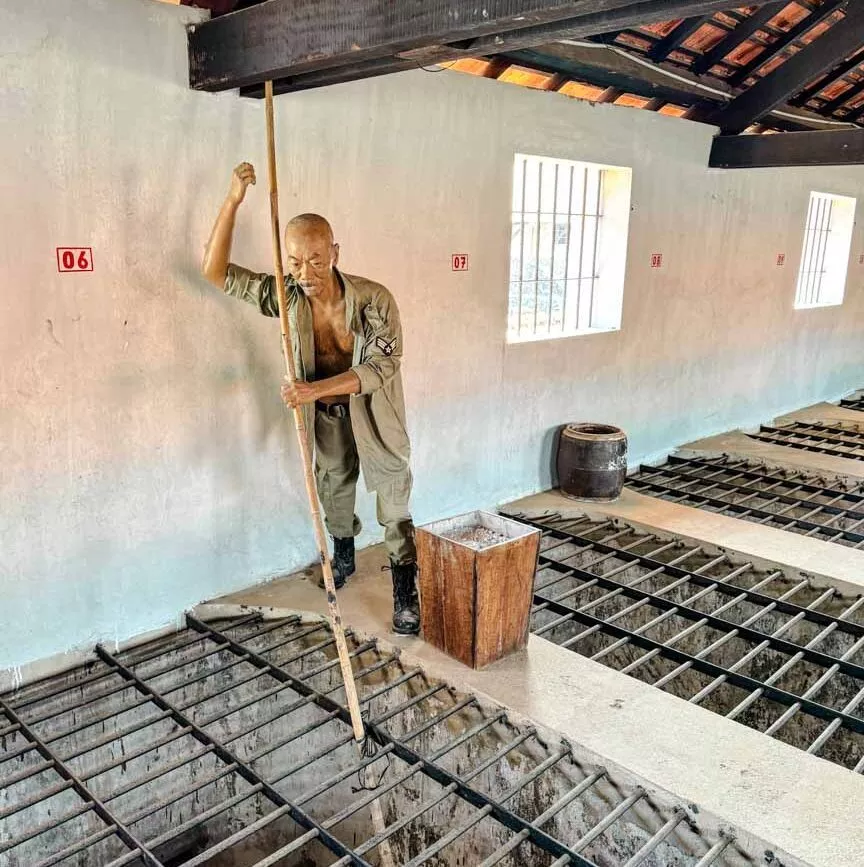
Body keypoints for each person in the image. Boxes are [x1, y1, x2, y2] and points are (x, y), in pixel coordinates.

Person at [201, 162, 420, 635]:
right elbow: (214, 271)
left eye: (317, 260)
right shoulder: (288, 297)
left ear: (336, 252)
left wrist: (310, 390)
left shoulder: (375, 299)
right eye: (295, 261)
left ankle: (406, 590)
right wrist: (233, 200)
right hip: (328, 420)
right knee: (334, 493)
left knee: (395, 502)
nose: (306, 272)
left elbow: (382, 367)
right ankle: (342, 559)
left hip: (377, 419)